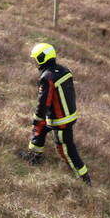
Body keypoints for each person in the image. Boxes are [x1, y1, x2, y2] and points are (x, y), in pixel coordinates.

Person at [18, 42, 91, 185]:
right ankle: (35, 156)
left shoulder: (48, 77)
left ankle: (84, 180)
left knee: (66, 150)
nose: (35, 62)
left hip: (59, 121)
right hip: (65, 115)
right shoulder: (64, 70)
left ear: (41, 58)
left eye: (36, 58)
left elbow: (43, 101)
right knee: (40, 130)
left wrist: (37, 118)